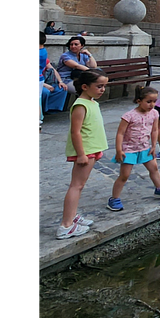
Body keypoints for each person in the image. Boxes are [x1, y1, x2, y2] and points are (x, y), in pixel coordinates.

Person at [58, 69, 110, 239]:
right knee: (76, 185)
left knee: (79, 185)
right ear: (85, 86)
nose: (102, 89)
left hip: (92, 149)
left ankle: (72, 217)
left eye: (104, 86)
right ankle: (66, 226)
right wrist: (81, 154)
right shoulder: (80, 105)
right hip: (85, 151)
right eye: (99, 86)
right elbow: (76, 132)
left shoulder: (91, 102)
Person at [108, 87, 160, 211]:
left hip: (145, 147)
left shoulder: (154, 113)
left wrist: (154, 145)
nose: (152, 105)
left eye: (154, 101)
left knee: (154, 168)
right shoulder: (129, 116)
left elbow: (155, 130)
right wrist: (119, 150)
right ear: (139, 101)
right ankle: (114, 198)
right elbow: (120, 133)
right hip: (129, 149)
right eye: (148, 101)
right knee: (124, 175)